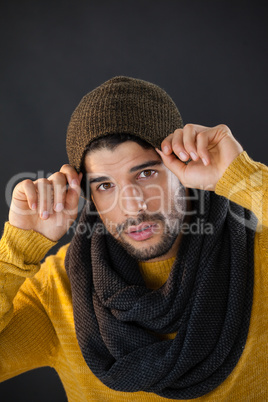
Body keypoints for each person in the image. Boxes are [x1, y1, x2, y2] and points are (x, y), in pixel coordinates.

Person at [0, 76, 267, 401]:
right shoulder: (57, 290)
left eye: (146, 173)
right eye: (105, 185)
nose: (132, 207)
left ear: (183, 167)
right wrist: (17, 249)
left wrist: (243, 176)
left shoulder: (259, 256)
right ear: (89, 196)